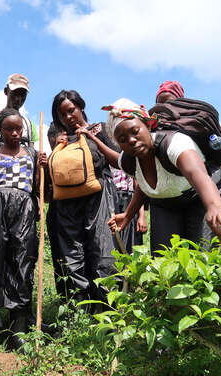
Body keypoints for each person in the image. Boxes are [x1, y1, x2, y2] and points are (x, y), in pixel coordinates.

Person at [83, 98, 221, 252]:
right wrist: (128, 215)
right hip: (165, 203)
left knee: (203, 255)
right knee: (163, 259)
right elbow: (144, 186)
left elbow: (197, 174)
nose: (131, 140)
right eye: (122, 140)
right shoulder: (129, 161)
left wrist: (213, 205)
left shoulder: (174, 144)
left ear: (147, 125)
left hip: (201, 196)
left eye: (135, 131)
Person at [0, 108, 47, 354]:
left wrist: (42, 167)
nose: (14, 133)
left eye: (18, 129)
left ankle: (19, 332)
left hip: (23, 211)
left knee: (22, 266)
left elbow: (38, 188)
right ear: (0, 130)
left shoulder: (33, 154)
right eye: (9, 129)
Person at [47, 89, 118, 307]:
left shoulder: (100, 129)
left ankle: (105, 310)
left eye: (71, 110)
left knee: (102, 251)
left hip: (99, 199)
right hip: (67, 205)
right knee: (71, 256)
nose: (68, 117)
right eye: (62, 114)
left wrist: (92, 137)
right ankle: (78, 312)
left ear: (81, 107)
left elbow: (117, 161)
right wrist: (50, 153)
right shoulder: (58, 139)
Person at [0, 73, 38, 155]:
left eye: (22, 95)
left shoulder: (29, 125)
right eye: (15, 93)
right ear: (6, 91)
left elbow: (32, 157)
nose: (18, 99)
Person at [45, 123, 68, 296]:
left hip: (75, 211)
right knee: (59, 258)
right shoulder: (48, 160)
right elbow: (44, 194)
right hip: (56, 212)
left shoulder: (74, 153)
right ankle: (65, 299)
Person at [111, 168, 148, 251]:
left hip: (130, 201)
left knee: (130, 246)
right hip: (109, 198)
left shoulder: (129, 156)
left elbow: (138, 183)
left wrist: (142, 215)